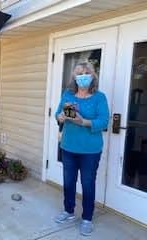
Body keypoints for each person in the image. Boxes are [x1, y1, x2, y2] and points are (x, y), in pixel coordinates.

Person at [54, 62, 109, 236]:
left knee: (87, 183)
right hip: (69, 147)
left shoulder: (99, 97)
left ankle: (87, 218)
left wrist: (83, 122)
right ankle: (68, 211)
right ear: (74, 78)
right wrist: (61, 117)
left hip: (90, 151)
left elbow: (104, 121)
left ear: (92, 76)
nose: (83, 76)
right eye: (79, 73)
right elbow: (57, 114)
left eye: (86, 73)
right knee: (69, 181)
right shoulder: (68, 94)